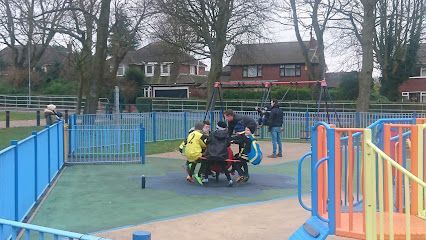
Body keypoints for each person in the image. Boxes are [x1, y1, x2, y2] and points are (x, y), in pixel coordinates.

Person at [203, 121, 233, 187]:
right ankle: (230, 180)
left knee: (207, 163)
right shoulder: (226, 135)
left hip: (211, 155)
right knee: (224, 167)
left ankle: (206, 178)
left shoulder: (213, 133)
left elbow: (207, 141)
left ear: (217, 126)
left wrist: (206, 141)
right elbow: (228, 144)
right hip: (222, 155)